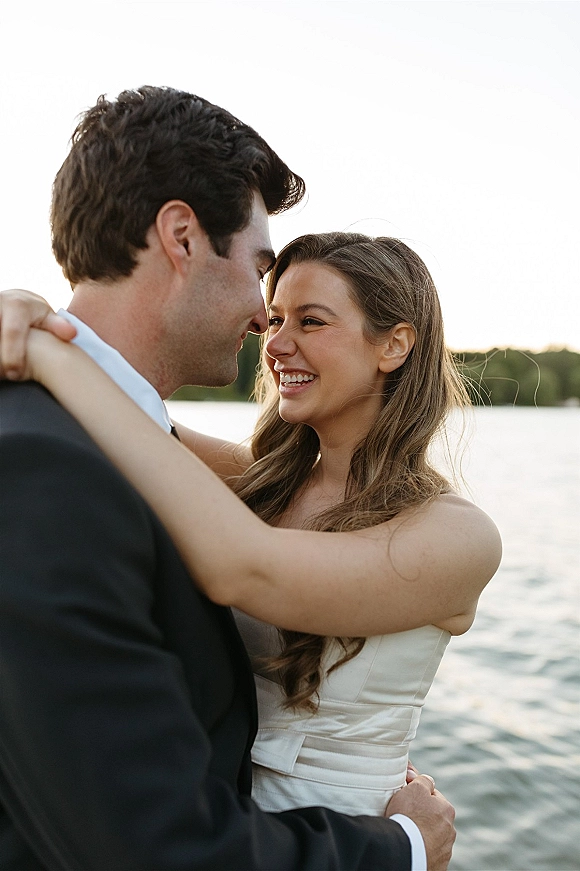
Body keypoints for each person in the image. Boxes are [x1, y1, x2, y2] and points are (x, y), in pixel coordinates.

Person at [0, 86, 458, 871]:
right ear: (181, 237)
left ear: (395, 345)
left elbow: (162, 444)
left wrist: (43, 339)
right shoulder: (49, 464)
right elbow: (150, 844)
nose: (266, 327)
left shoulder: (438, 527)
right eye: (263, 279)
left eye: (308, 320)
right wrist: (405, 847)